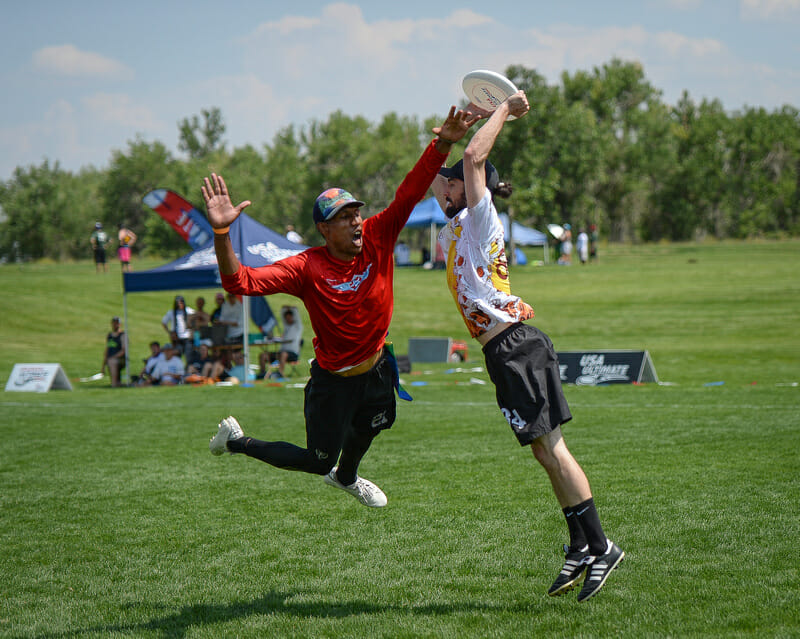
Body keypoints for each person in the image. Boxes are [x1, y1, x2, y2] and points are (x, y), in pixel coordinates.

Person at [202, 105, 479, 508]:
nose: (355, 222)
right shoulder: (306, 267)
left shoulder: (379, 235)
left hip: (378, 366)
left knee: (375, 424)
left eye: (356, 213)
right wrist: (222, 231)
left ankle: (347, 478)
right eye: (343, 218)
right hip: (333, 382)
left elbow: (410, 191)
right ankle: (237, 441)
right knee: (317, 461)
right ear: (323, 229)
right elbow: (238, 281)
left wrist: (443, 144)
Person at [432, 91, 624, 603]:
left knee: (554, 448)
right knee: (543, 451)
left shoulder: (479, 217)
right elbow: (441, 169)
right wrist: (449, 131)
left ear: (466, 188)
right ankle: (581, 544)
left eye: (450, 181)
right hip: (503, 353)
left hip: (517, 346)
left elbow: (473, 159)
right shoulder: (454, 224)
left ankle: (603, 546)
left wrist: (503, 111)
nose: (442, 184)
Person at [102, 316, 126, 387]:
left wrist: (114, 357)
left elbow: (123, 350)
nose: (115, 325)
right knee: (110, 361)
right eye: (114, 323)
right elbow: (107, 350)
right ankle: (116, 383)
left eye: (117, 323)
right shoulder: (110, 336)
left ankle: (114, 384)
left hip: (120, 359)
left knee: (112, 361)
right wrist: (103, 366)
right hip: (110, 358)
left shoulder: (122, 335)